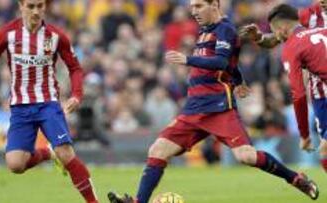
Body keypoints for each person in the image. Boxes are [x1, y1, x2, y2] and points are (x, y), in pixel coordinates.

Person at [107, 1, 319, 203]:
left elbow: (221, 61)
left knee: (246, 156)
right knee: (157, 150)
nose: (194, 11)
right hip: (193, 108)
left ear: (215, 5)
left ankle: (296, 179)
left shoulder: (225, 29)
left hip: (218, 108)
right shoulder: (205, 30)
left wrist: (187, 59)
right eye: (192, 7)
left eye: (199, 6)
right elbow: (230, 63)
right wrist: (238, 79)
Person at [0, 0, 99, 202]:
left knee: (66, 153)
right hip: (20, 108)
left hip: (48, 104)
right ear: (21, 6)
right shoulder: (6, 34)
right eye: (31, 6)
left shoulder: (56, 36)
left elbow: (75, 67)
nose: (36, 11)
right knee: (15, 164)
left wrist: (76, 95)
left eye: (40, 6)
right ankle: (47, 154)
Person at [240, 0, 327, 172]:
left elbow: (298, 94)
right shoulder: (308, 14)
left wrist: (303, 135)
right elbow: (283, 35)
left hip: (322, 93)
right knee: (325, 148)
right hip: (320, 90)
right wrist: (259, 38)